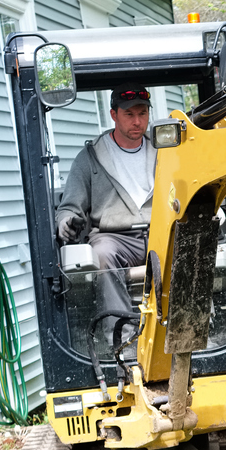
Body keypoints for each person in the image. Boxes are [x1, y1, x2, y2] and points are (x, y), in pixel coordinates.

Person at [54, 84, 155, 348]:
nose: (137, 121)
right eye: (129, 114)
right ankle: (124, 341)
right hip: (116, 237)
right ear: (113, 114)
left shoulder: (164, 150)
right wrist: (66, 223)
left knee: (189, 245)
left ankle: (188, 330)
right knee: (103, 253)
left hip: (160, 231)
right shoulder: (90, 159)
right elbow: (69, 208)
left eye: (142, 113)